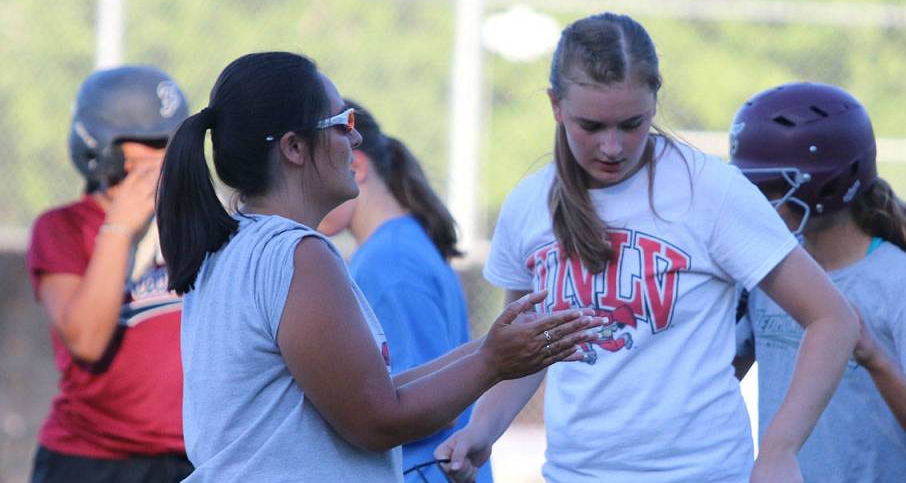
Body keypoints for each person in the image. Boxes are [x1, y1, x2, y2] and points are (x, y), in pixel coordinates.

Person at [437, 12, 860, 483]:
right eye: (592, 126)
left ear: (655, 101)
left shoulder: (709, 190)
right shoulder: (528, 204)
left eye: (632, 123)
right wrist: (483, 429)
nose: (613, 146)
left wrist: (780, 450)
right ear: (556, 105)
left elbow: (832, 318)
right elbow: (530, 350)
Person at [154, 51, 599, 482]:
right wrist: (492, 363)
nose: (357, 138)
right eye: (341, 124)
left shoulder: (234, 242)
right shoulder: (298, 254)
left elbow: (374, 392)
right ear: (293, 147)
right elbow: (377, 421)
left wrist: (492, 346)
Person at [730, 81, 906, 481]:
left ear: (826, 184)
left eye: (772, 187)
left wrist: (874, 356)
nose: (757, 200)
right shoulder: (772, 271)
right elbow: (717, 376)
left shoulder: (901, 284)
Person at [25, 66, 193, 482]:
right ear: (103, 149)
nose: (168, 153)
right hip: (93, 460)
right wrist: (119, 229)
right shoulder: (63, 228)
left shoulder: (195, 225)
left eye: (175, 140)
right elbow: (86, 340)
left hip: (192, 458)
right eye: (154, 142)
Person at [317, 100, 494, 483]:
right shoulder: (399, 246)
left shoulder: (390, 262)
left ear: (356, 167)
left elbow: (433, 406)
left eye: (311, 173)